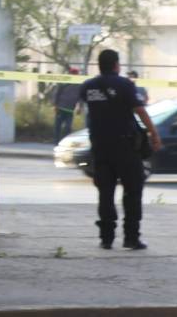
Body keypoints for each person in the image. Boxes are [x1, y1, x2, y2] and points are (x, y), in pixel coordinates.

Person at [79, 49, 162, 251]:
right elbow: (140, 110)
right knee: (132, 191)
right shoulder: (125, 85)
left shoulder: (87, 87)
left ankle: (106, 238)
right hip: (125, 147)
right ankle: (131, 237)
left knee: (105, 193)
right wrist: (154, 134)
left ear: (99, 65)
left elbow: (83, 110)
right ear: (117, 65)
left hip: (99, 147)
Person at [52, 68, 83, 142]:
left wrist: (79, 107)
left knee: (68, 127)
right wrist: (54, 105)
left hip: (70, 110)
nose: (74, 75)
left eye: (75, 74)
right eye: (73, 74)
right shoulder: (64, 83)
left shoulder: (78, 85)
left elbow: (80, 97)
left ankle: (65, 141)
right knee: (57, 126)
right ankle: (56, 141)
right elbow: (56, 94)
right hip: (60, 108)